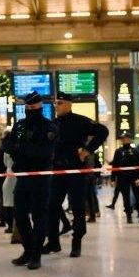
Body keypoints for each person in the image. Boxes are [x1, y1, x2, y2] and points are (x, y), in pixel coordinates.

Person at [45, 92, 108, 257]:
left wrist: (87, 150)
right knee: (52, 205)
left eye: (59, 103)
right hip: (58, 170)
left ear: (68, 104)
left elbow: (103, 131)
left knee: (78, 207)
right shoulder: (52, 124)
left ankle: (76, 242)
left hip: (75, 169)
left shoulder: (80, 121)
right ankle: (53, 242)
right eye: (55, 104)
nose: (56, 106)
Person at [2, 91, 57, 269]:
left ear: (39, 107)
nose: (28, 110)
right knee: (19, 214)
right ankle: (28, 249)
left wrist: (20, 148)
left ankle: (36, 255)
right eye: (26, 107)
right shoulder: (19, 125)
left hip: (41, 177)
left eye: (32, 107)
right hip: (23, 175)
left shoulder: (49, 127)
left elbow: (42, 152)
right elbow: (7, 144)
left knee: (39, 216)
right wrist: (22, 149)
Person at [112, 132, 139, 224]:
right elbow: (114, 166)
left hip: (134, 177)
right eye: (122, 138)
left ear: (129, 139)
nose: (123, 140)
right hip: (122, 178)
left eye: (125, 138)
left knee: (138, 196)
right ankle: (129, 216)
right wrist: (113, 179)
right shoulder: (118, 151)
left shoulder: (135, 151)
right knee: (126, 197)